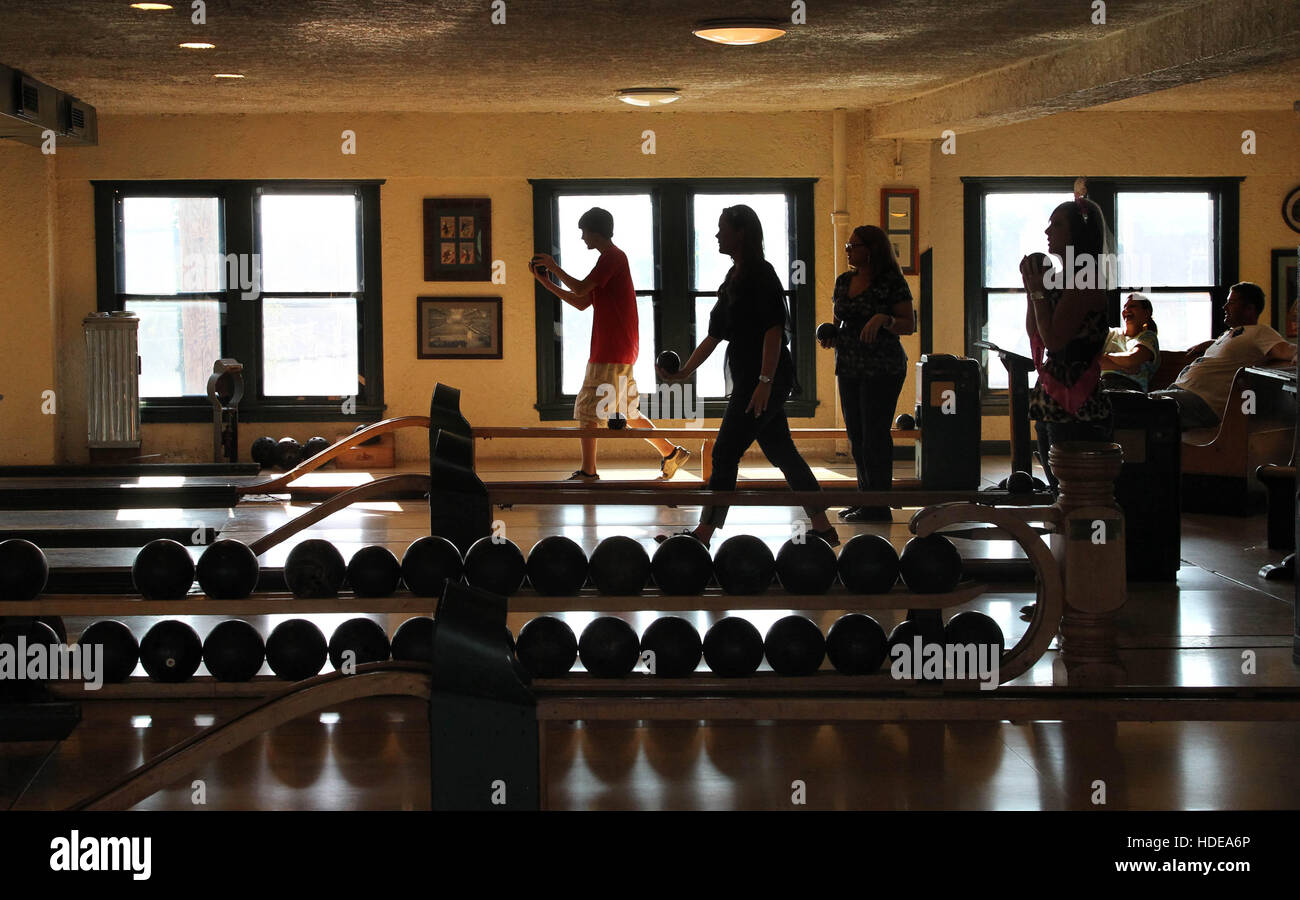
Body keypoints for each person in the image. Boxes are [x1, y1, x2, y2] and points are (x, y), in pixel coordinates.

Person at [655, 204, 838, 547]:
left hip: (763, 380)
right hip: (749, 380)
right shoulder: (733, 278)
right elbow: (714, 335)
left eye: (722, 228)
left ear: (740, 233)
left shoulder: (761, 274)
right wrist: (682, 373)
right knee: (783, 453)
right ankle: (824, 529)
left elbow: (773, 331)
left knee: (724, 452)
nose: (716, 235)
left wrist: (765, 383)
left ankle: (703, 535)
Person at [531, 207, 690, 481]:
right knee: (627, 410)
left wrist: (554, 268)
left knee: (587, 410)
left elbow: (580, 289)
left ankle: (588, 472)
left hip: (611, 348)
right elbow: (582, 302)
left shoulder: (613, 257)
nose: (582, 238)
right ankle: (671, 453)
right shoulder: (608, 262)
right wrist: (544, 281)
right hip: (619, 348)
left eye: (584, 232)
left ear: (595, 231)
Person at [821, 225, 915, 522]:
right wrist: (829, 334)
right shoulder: (843, 281)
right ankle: (866, 499)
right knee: (857, 434)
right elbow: (838, 321)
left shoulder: (891, 282)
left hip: (883, 367)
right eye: (847, 246)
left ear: (871, 249)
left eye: (854, 246)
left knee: (874, 434)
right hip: (849, 364)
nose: (848, 250)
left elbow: (908, 324)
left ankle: (879, 503)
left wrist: (884, 318)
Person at [1021, 194, 1113, 491]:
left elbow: (1055, 340)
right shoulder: (1063, 278)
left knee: (1074, 491)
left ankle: (1080, 539)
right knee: (1056, 490)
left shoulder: (1086, 279)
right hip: (1052, 396)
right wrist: (1032, 290)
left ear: (1077, 233)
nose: (1047, 232)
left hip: (1077, 402)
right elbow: (1035, 332)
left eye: (1056, 225)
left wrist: (1038, 292)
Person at [1150, 282, 1295, 429]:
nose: (1225, 307)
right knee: (1135, 407)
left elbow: (1286, 349)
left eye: (1231, 302)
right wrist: (1211, 343)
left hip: (1202, 403)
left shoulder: (1260, 332)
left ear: (1249, 308)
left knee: (1137, 407)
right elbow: (1236, 348)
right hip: (1183, 394)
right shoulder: (1232, 334)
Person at [1100, 292, 1160, 392]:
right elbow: (1094, 362)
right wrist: (1124, 366)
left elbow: (1131, 359)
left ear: (1146, 313)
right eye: (1124, 307)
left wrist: (1105, 356)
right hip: (1104, 385)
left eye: (1132, 306)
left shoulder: (1148, 337)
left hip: (1131, 389)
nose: (1126, 310)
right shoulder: (1111, 333)